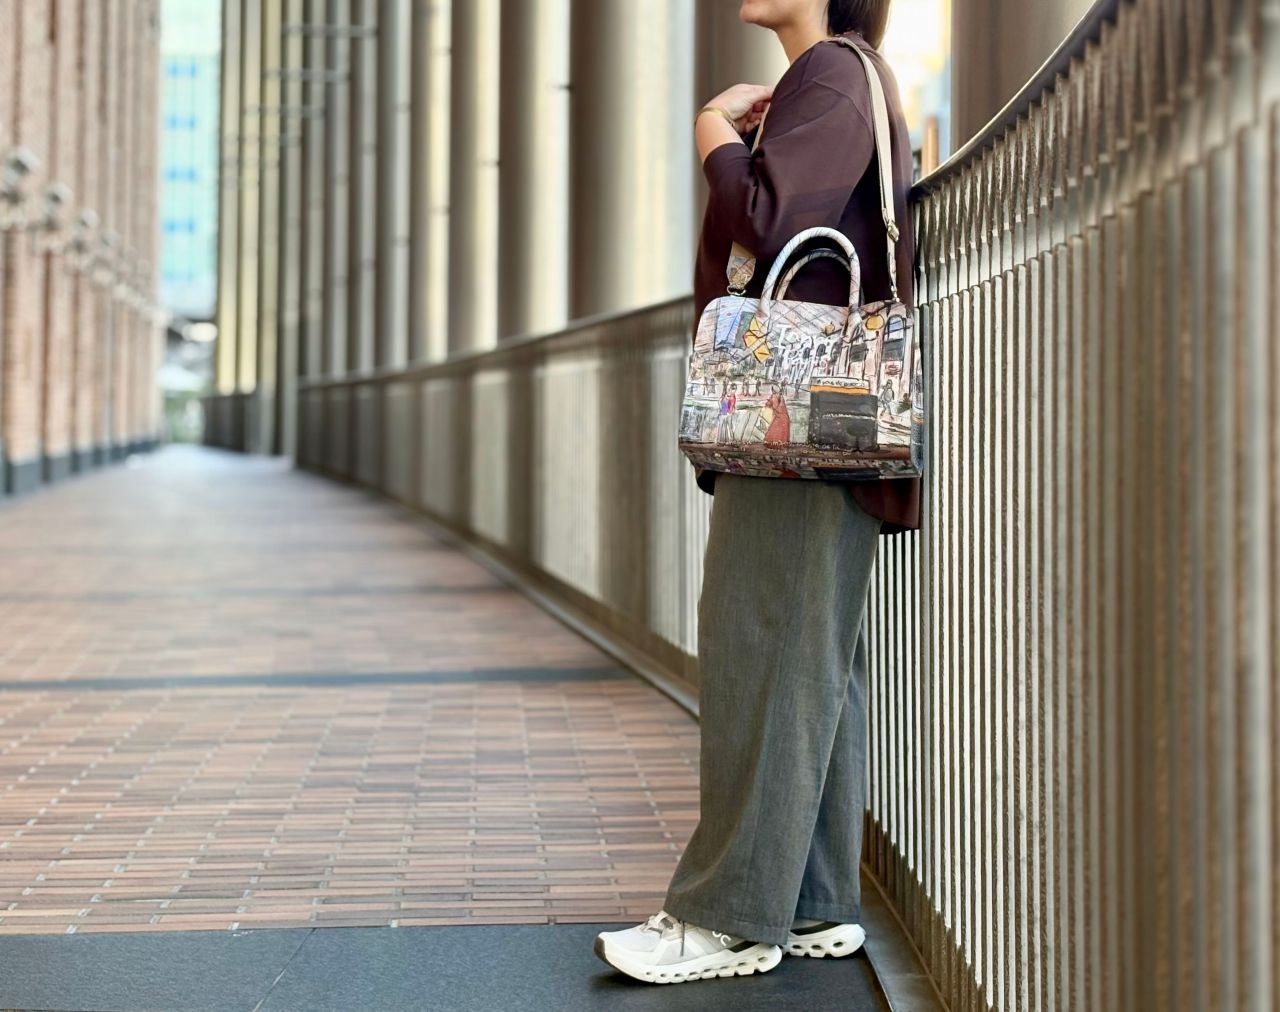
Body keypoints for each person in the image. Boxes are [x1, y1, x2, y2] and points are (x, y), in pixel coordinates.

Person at [594, 0, 921, 986]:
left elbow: (775, 222)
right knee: (809, 660)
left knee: (759, 648)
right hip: (824, 422)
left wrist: (710, 132)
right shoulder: (838, 75)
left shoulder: (831, 72)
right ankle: (814, 899)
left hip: (794, 420)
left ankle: (726, 918)